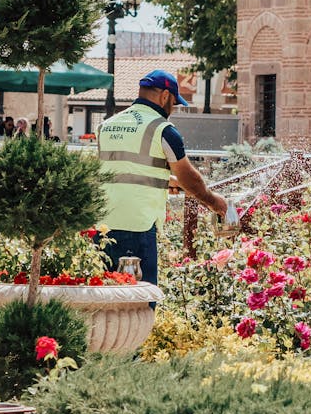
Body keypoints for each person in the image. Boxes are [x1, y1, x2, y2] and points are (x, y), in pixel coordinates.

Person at [97, 70, 226, 287]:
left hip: (102, 226)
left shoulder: (106, 126)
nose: (172, 109)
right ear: (165, 96)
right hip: (137, 226)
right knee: (141, 298)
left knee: (104, 296)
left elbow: (124, 169)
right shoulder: (162, 130)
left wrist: (165, 179)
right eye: (173, 103)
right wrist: (213, 202)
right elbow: (189, 178)